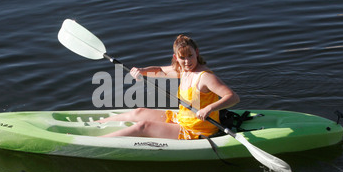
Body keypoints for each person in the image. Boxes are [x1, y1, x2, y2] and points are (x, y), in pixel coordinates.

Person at [98, 34, 240, 139]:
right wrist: (142, 71)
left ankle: (97, 142)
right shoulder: (183, 70)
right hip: (182, 118)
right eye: (182, 58)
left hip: (197, 129)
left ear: (196, 53)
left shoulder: (204, 77)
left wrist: (209, 108)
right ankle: (96, 123)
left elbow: (233, 97)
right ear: (176, 57)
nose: (187, 61)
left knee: (144, 126)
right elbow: (161, 70)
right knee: (139, 112)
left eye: (190, 56)